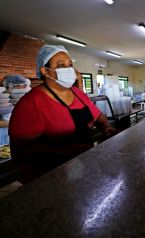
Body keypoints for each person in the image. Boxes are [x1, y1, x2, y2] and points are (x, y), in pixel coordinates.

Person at [9, 45, 117, 183]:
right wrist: (69, 151)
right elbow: (20, 152)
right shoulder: (30, 103)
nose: (68, 69)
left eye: (70, 65)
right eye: (61, 65)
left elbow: (98, 116)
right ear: (45, 71)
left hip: (82, 170)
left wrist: (106, 126)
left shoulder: (78, 94)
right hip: (47, 178)